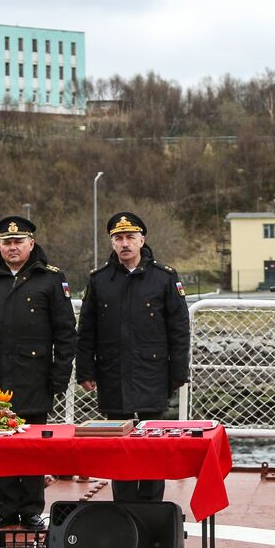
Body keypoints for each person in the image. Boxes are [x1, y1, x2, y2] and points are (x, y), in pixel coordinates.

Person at [0, 216, 75, 529]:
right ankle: (7, 506)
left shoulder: (50, 279)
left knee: (33, 444)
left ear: (31, 244)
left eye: (18, 242)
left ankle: (33, 508)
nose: (13, 247)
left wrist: (59, 376)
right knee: (0, 445)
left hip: (34, 376)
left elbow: (65, 332)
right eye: (7, 242)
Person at [76, 212, 189, 502]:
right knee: (119, 445)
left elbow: (178, 328)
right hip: (113, 372)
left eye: (129, 237)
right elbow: (87, 329)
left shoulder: (163, 278)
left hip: (152, 372)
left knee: (153, 444)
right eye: (118, 238)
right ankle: (123, 506)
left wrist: (178, 372)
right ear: (112, 243)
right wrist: (85, 370)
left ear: (142, 240)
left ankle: (151, 505)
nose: (124, 243)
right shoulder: (100, 280)